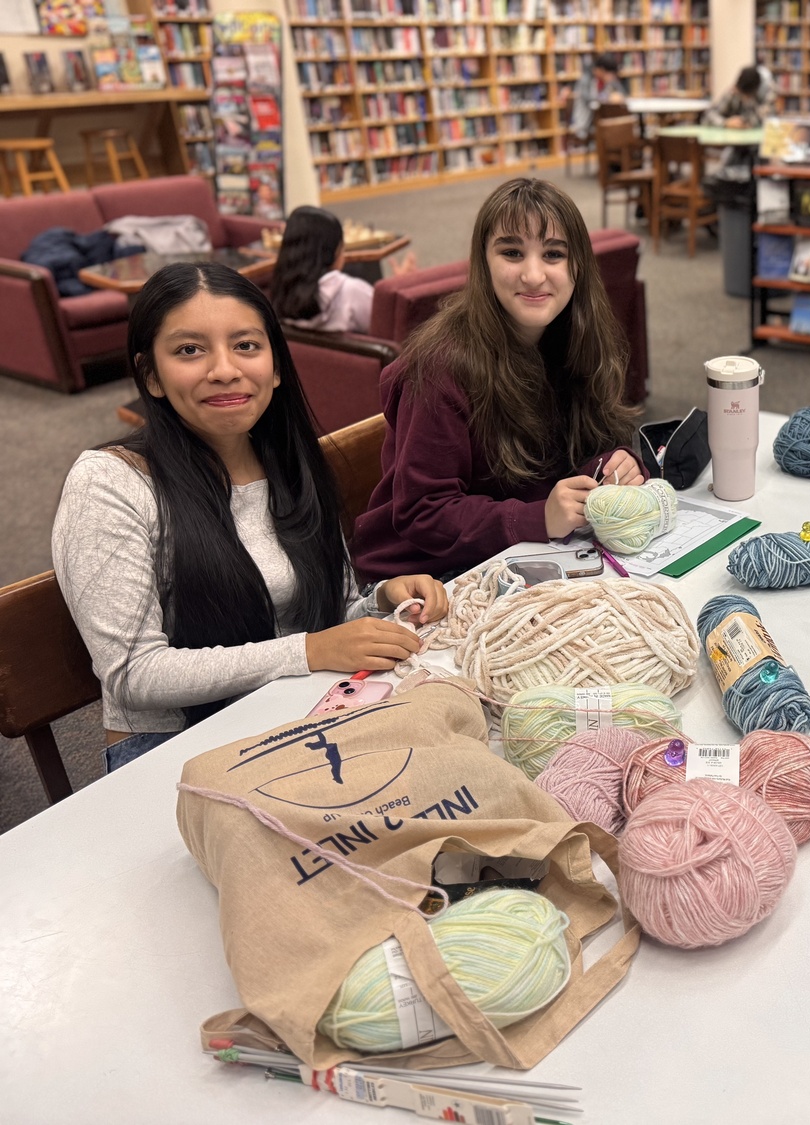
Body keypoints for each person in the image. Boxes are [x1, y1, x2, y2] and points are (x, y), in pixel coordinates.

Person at [52, 263, 449, 772]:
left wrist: (379, 603)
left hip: (302, 714)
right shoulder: (110, 483)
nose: (224, 369)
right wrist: (308, 652)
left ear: (277, 367)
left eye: (245, 346)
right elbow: (132, 672)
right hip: (176, 753)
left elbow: (329, 617)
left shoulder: (289, 462)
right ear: (150, 375)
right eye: (189, 350)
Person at [351, 178, 645, 582]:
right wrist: (537, 517)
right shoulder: (441, 367)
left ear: (578, 267)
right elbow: (425, 512)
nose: (533, 274)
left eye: (554, 254)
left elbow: (598, 439)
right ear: (483, 263)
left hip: (525, 557)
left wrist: (617, 465)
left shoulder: (577, 338)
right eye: (511, 252)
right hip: (427, 577)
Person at [269, 205, 415, 335]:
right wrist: (400, 286)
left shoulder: (279, 291)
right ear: (334, 251)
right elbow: (390, 329)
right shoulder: (350, 291)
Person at [570, 52, 626, 141]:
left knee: (622, 125)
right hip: (587, 121)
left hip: (604, 120)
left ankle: (618, 151)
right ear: (601, 70)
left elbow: (621, 94)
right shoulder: (586, 80)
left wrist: (616, 91)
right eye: (609, 73)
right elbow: (588, 100)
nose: (611, 77)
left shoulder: (610, 81)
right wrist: (607, 98)